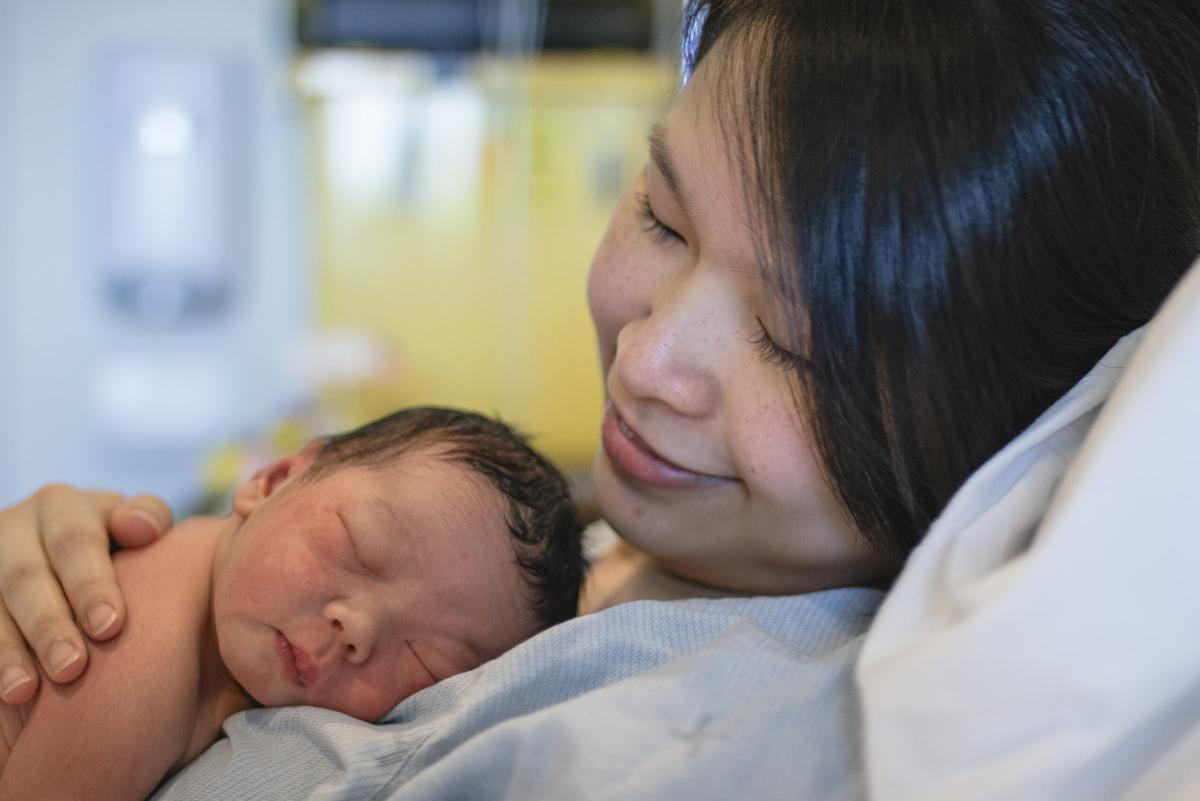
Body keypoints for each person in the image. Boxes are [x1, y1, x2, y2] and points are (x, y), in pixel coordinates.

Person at [0, 1, 1197, 798]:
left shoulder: (760, 730)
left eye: (795, 345)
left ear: (997, 415)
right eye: (661, 214)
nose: (646, 357)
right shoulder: (573, 557)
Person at [0, 406, 584, 800]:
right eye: (360, 546)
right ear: (273, 479)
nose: (355, 626)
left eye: (428, 662)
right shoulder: (139, 631)